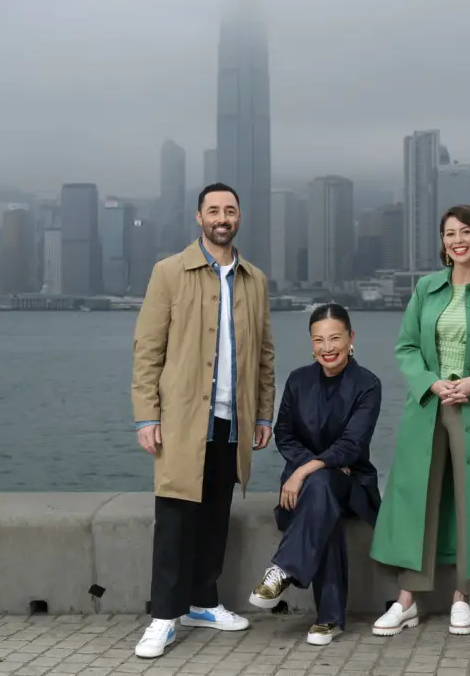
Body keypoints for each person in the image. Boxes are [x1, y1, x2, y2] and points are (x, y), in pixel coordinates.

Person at [131, 182, 276, 659]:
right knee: (174, 519)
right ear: (199, 218)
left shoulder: (254, 278)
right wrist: (146, 415)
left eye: (230, 210)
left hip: (232, 422)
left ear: (239, 217)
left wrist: (262, 414)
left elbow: (265, 355)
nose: (222, 217)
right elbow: (148, 349)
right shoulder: (169, 272)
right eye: (213, 209)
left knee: (215, 515)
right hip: (182, 420)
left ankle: (203, 601)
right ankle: (163, 617)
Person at [369, 204, 470, 636]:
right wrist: (433, 384)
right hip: (428, 404)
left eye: (466, 232)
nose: (457, 240)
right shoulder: (426, 289)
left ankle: (463, 596)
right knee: (420, 497)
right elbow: (406, 348)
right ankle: (406, 601)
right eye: (450, 234)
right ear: (443, 242)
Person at [247, 303, 382, 646]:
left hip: (352, 484)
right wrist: (316, 467)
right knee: (322, 497)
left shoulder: (368, 384)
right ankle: (330, 620)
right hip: (311, 486)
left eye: (335, 338)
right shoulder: (298, 380)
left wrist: (304, 470)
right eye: (319, 340)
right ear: (311, 343)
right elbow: (285, 434)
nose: (327, 348)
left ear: (351, 338)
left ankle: (283, 570)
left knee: (322, 487)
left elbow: (353, 445)